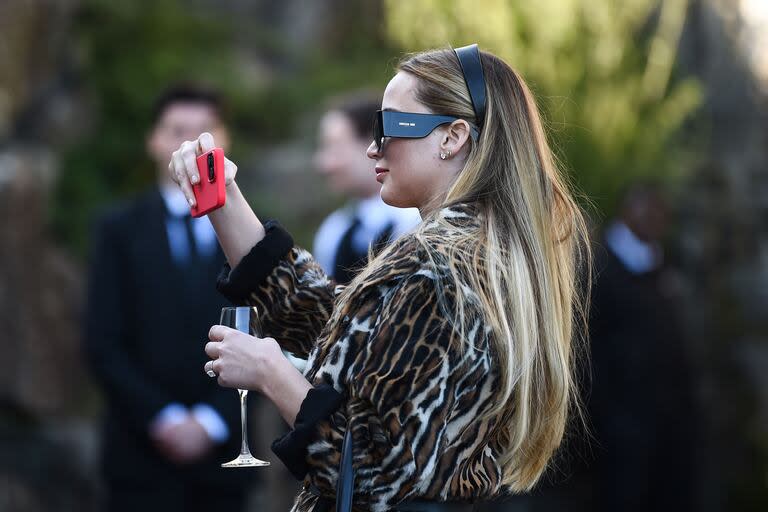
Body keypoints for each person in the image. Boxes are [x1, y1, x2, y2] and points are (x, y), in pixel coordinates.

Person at [169, 45, 591, 511]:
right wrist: (223, 198)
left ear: (452, 137)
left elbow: (374, 473)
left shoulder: (436, 268)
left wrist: (272, 373)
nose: (373, 146)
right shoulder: (472, 255)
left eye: (388, 126)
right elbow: (335, 334)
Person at [85, 85, 254, 512]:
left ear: (224, 140)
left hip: (225, 464)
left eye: (204, 131)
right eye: (177, 130)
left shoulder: (253, 236)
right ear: (154, 140)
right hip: (139, 458)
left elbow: (267, 332)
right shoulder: (117, 230)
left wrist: (212, 421)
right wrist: (165, 419)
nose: (190, 144)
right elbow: (101, 340)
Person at [312, 91, 421, 283]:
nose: (323, 163)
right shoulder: (333, 230)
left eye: (335, 147)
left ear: (372, 142)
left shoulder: (417, 223)